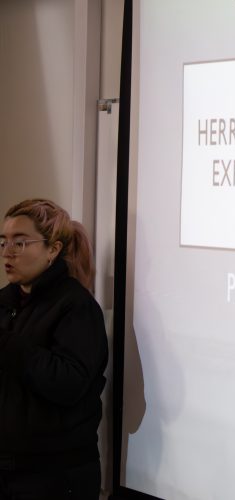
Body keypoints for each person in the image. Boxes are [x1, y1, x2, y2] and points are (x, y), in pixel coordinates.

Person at [0, 199, 108, 500]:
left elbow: (68, 382)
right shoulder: (4, 302)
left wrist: (6, 344)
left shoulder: (77, 308)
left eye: (20, 243)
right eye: (4, 241)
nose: (8, 252)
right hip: (9, 470)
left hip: (56, 477)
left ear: (53, 250)